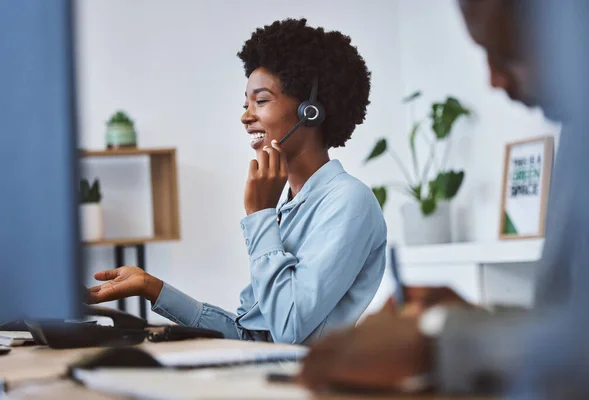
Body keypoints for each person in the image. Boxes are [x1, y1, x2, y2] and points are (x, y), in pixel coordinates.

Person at [300, 0, 589, 396]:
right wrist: (473, 320)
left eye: (507, 53)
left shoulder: (349, 201)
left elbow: (290, 326)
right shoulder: (579, 132)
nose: (494, 79)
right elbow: (572, 319)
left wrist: (437, 342)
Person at [87, 18, 387, 345]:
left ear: (309, 111)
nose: (246, 116)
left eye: (261, 101)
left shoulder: (348, 202)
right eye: (245, 104)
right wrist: (152, 287)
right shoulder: (292, 205)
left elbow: (287, 328)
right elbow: (251, 335)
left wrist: (259, 215)